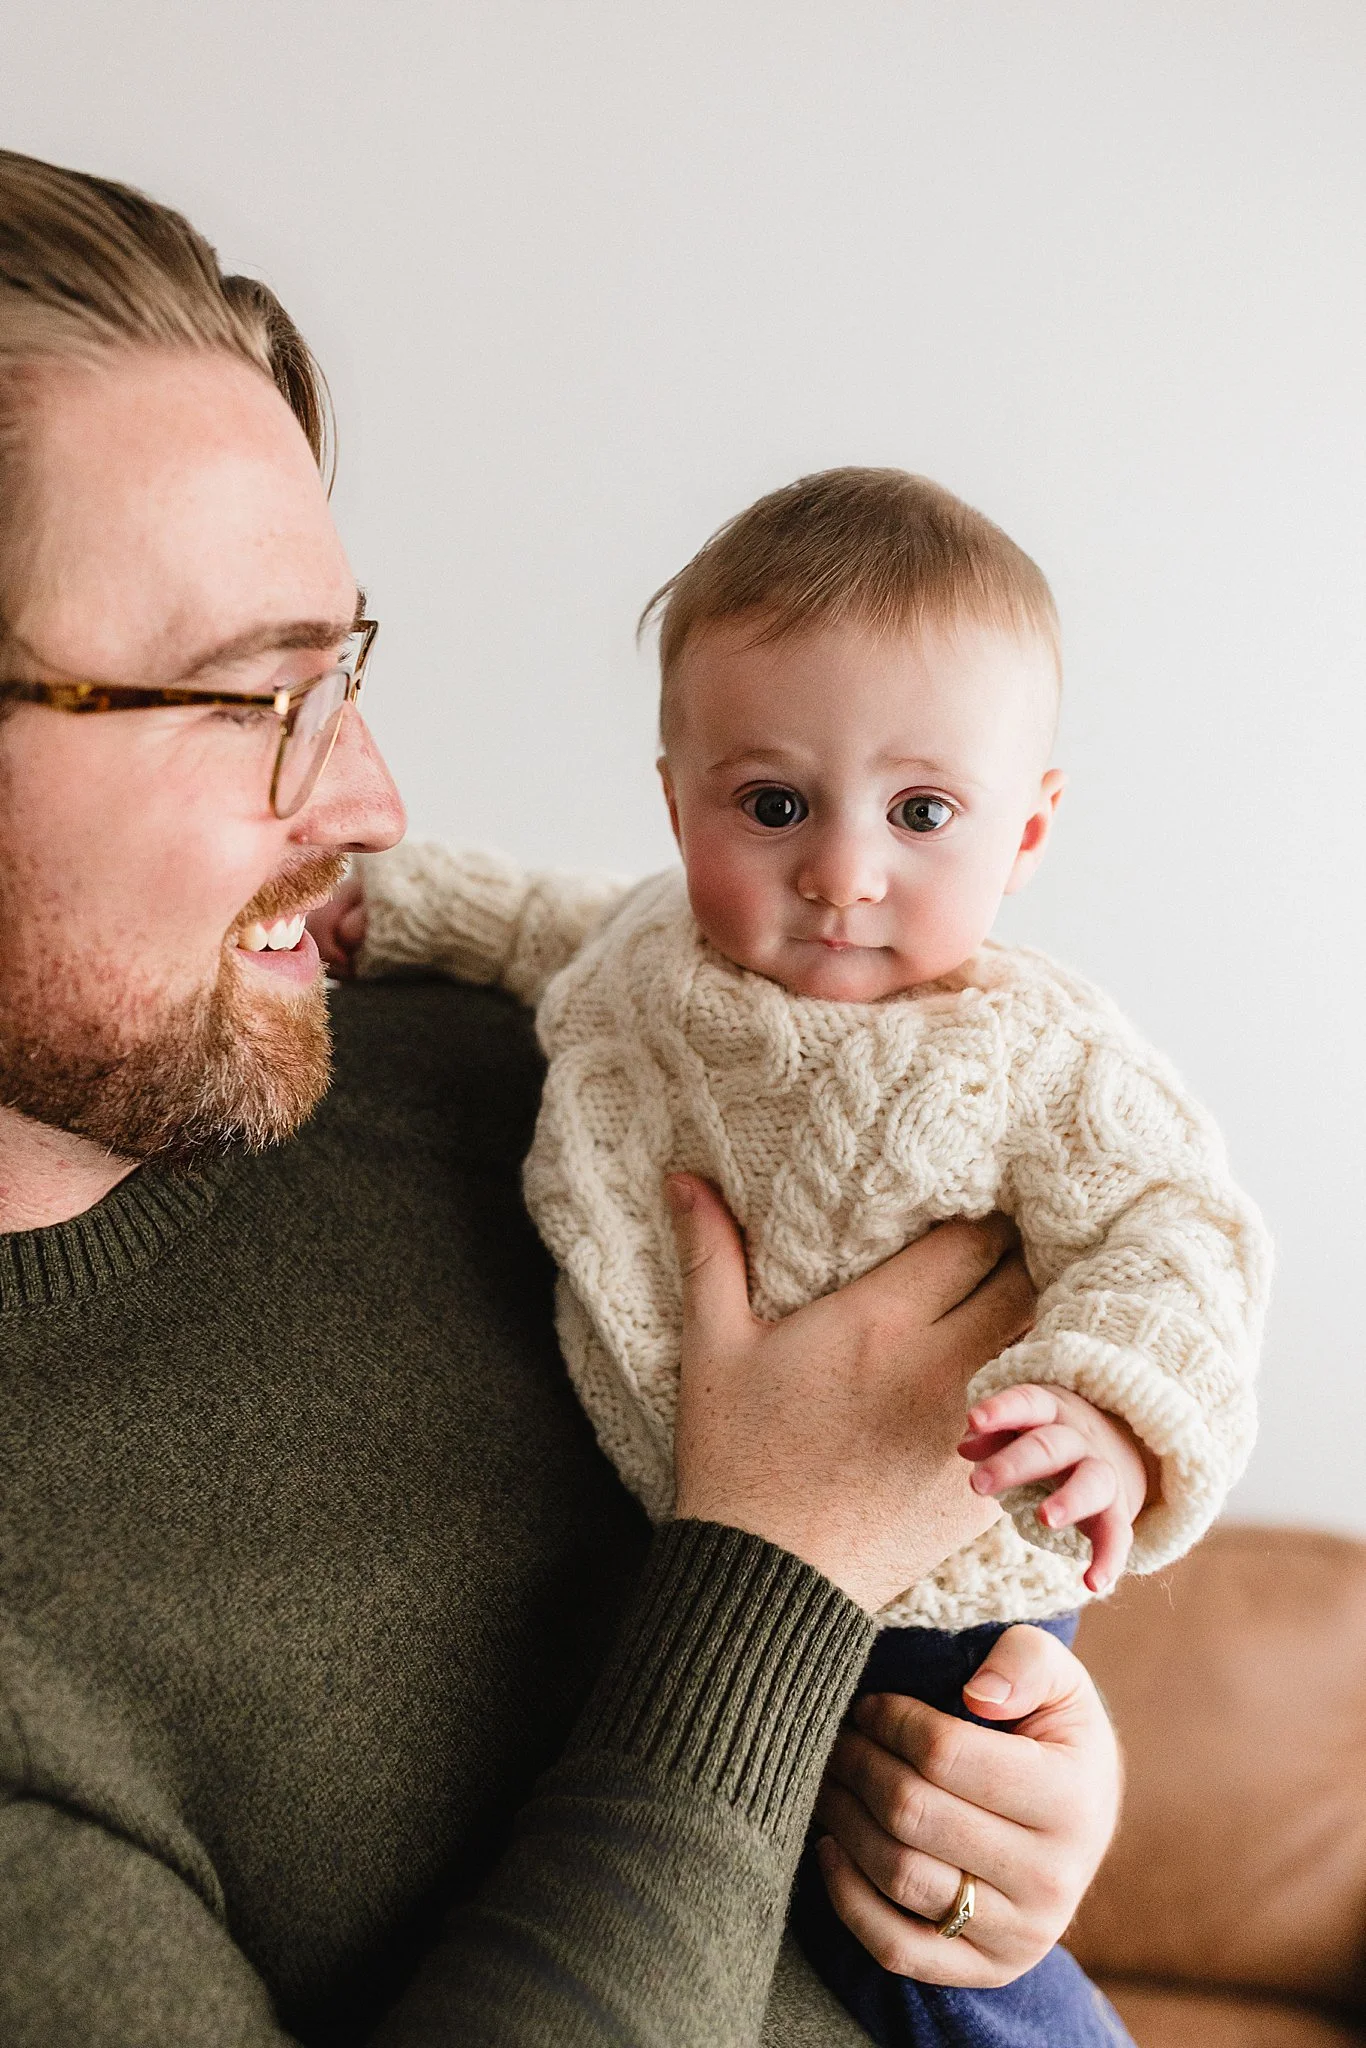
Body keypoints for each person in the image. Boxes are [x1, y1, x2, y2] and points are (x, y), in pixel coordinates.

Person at [0, 150, 1122, 2048]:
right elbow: (805, 1529)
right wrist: (772, 1567)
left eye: (339, 669)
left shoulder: (528, 1080)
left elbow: (937, 1557)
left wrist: (1010, 1787)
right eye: (245, 695)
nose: (366, 798)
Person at [318, 468, 1270, 2045]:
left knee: (921, 1924)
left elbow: (1170, 1234)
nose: (840, 873)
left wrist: (1104, 1407)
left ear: (1025, 826)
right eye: (773, 806)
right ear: (679, 800)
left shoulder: (1035, 1056)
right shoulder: (648, 958)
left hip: (946, 1569)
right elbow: (522, 923)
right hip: (674, 1538)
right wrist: (387, 901)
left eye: (920, 814)